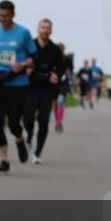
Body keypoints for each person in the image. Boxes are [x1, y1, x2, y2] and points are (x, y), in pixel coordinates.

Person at [0, 0, 36, 176]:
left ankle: (19, 139)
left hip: (18, 84)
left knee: (13, 123)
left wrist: (23, 65)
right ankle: (4, 160)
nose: (2, 19)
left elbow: (34, 57)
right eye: (0, 15)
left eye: (5, 15)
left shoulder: (23, 33)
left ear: (13, 14)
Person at [23, 19, 64, 163]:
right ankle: (29, 136)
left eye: (48, 28)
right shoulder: (30, 46)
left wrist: (56, 75)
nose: (45, 30)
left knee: (44, 121)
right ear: (38, 29)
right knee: (28, 119)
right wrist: (25, 69)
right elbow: (21, 61)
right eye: (43, 27)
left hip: (47, 89)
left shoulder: (55, 49)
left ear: (51, 30)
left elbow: (62, 67)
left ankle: (37, 153)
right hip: (31, 87)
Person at [54, 42, 71, 132]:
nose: (60, 52)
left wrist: (68, 74)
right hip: (55, 83)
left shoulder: (67, 60)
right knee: (56, 104)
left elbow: (70, 71)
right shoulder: (53, 59)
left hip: (64, 84)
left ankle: (59, 123)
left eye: (62, 50)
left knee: (60, 102)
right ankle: (57, 122)